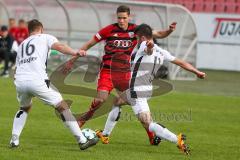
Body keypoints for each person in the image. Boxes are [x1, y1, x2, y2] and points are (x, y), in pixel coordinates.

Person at [64, 5, 177, 145]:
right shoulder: (108, 30)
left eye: (124, 18)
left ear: (129, 17)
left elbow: (159, 34)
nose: (121, 21)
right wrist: (73, 59)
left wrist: (169, 31)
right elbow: (89, 44)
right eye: (119, 18)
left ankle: (151, 135)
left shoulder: (136, 30)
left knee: (136, 104)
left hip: (124, 74)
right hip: (107, 71)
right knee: (101, 100)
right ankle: (84, 119)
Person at [99, 23, 205, 154]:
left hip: (136, 91)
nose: (136, 41)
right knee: (117, 103)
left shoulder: (144, 44)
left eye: (137, 38)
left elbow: (148, 50)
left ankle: (176, 139)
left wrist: (148, 47)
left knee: (149, 124)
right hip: (146, 90)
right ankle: (105, 134)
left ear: (142, 38)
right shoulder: (163, 52)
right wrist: (197, 72)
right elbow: (181, 62)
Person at [9, 19, 98, 150]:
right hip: (37, 80)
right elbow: (60, 47)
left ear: (29, 32)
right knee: (62, 106)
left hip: (20, 81)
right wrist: (76, 52)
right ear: (42, 29)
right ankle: (82, 140)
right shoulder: (45, 37)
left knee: (24, 108)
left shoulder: (22, 44)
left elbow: (17, 67)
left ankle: (14, 140)